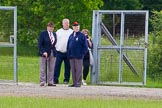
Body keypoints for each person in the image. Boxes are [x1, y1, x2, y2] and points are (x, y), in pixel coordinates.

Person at [67, 21, 88, 87]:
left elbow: (85, 47)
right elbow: (68, 46)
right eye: (75, 27)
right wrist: (68, 54)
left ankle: (78, 83)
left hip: (78, 56)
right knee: (73, 70)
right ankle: (74, 82)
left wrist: (82, 54)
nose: (76, 28)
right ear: (73, 27)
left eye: (77, 27)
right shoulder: (71, 35)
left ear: (79, 27)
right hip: (71, 56)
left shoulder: (82, 36)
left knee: (78, 70)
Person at [53, 18, 73, 84]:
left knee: (67, 66)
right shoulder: (58, 32)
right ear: (62, 24)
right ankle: (55, 79)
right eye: (65, 23)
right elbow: (55, 40)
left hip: (68, 52)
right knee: (57, 66)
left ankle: (66, 79)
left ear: (69, 24)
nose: (66, 24)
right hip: (59, 51)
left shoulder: (72, 32)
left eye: (67, 23)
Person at [38, 21, 57, 86]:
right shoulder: (43, 34)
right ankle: (42, 81)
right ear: (47, 27)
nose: (51, 28)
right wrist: (43, 52)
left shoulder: (54, 34)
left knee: (51, 67)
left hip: (52, 52)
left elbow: (54, 44)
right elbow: (40, 44)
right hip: (44, 53)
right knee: (43, 67)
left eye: (52, 27)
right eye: (50, 27)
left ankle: (50, 81)